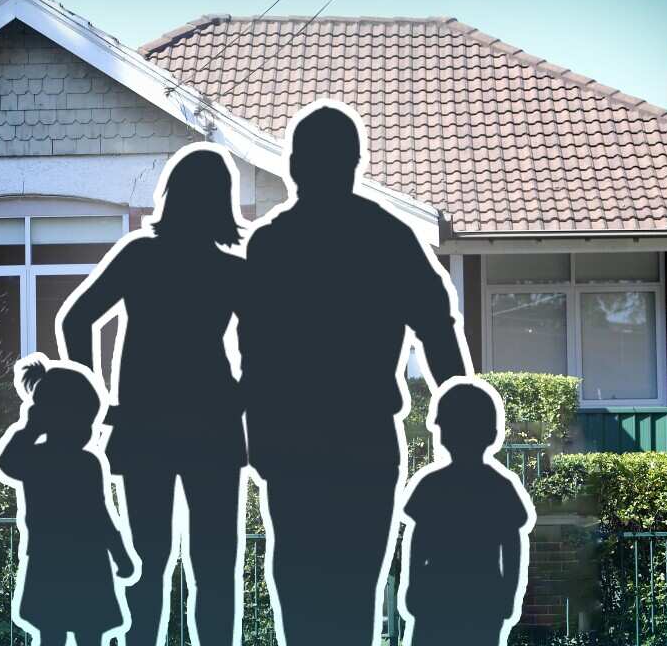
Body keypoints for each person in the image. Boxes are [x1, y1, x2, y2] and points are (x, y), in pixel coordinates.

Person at [237, 101, 472, 646]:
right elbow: (438, 331)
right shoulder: (390, 238)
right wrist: (461, 423)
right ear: (354, 163)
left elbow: (254, 352)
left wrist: (256, 437)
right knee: (354, 586)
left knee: (296, 582)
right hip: (363, 442)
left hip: (292, 442)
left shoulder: (271, 244)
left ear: (294, 166)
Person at [59, 145, 247, 646]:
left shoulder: (139, 254)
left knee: (145, 561)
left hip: (144, 428)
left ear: (173, 194)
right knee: (215, 565)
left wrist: (94, 401)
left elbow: (75, 320)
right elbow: (269, 349)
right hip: (214, 429)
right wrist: (242, 397)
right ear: (221, 201)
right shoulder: (233, 271)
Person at [0, 357, 135, 646]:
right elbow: (100, 514)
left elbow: (8, 463)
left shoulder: (38, 458)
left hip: (50, 559)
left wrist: (30, 427)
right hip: (87, 562)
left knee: (51, 634)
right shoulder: (86, 463)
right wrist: (120, 555)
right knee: (88, 634)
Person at [401, 381, 531, 646]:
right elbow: (512, 543)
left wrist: (413, 585)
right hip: (478, 597)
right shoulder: (499, 487)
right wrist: (508, 594)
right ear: (491, 433)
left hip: (441, 596)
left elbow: (418, 539)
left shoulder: (432, 485)